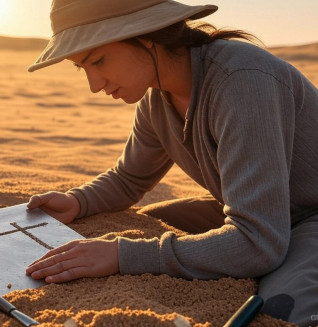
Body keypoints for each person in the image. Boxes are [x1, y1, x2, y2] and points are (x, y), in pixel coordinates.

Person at [25, 0, 318, 325]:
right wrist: (77, 200)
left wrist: (123, 255)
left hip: (308, 216)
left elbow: (257, 242)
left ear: (147, 34)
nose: (94, 85)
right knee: (144, 222)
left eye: (99, 60)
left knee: (282, 309)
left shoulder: (242, 80)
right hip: (261, 212)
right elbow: (128, 179)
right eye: (83, 67)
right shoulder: (157, 99)